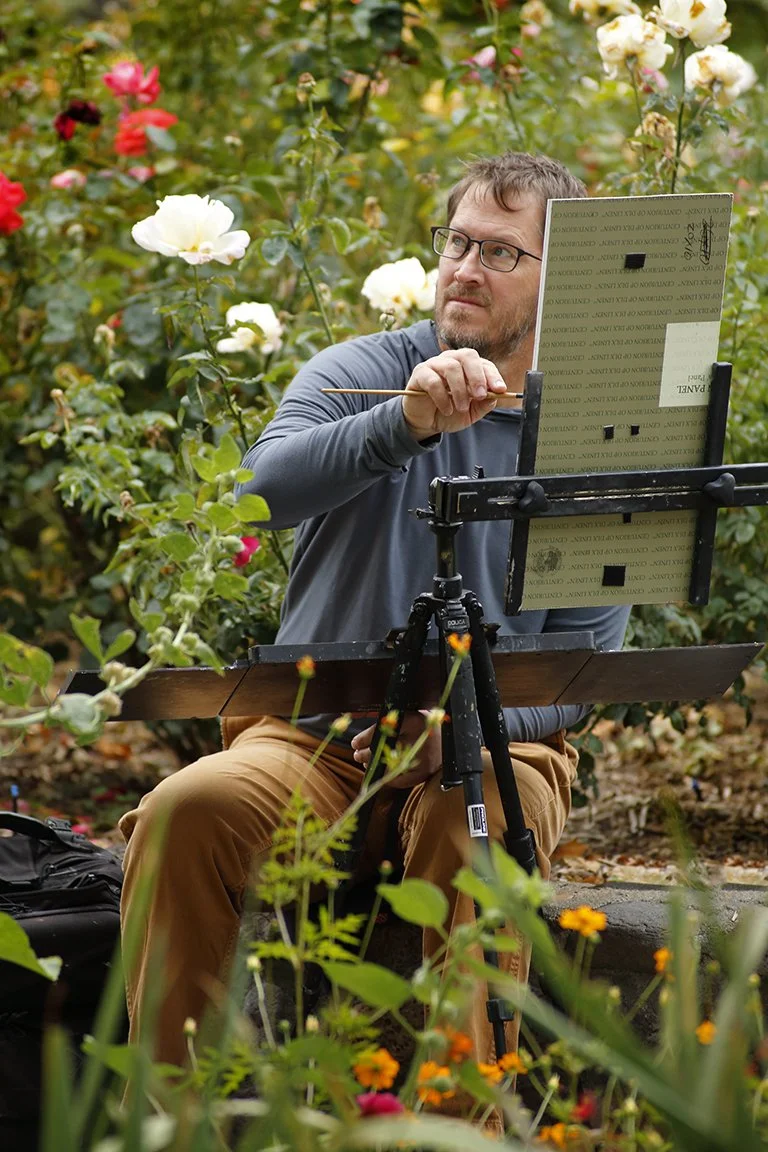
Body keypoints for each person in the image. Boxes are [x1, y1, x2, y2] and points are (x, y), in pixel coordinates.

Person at [119, 151, 630, 1105]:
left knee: (473, 820)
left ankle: (459, 1121)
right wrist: (403, 423)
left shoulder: (593, 426)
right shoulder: (360, 371)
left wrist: (457, 725)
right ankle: (171, 1119)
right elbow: (255, 497)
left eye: (503, 253)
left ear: (559, 280)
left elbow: (582, 673)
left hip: (496, 751)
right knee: (182, 813)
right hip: (313, 742)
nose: (466, 268)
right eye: (457, 242)